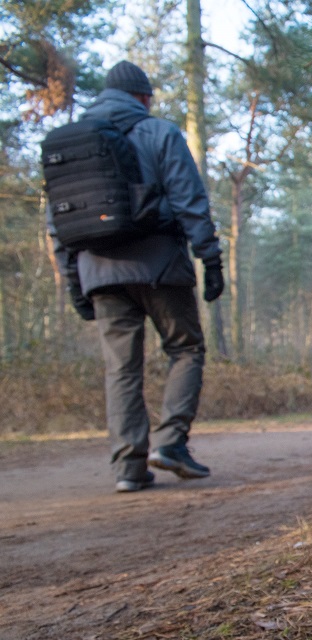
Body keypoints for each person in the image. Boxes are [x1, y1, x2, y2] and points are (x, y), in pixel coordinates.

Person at [49, 61, 225, 493]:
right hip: (159, 266)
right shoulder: (160, 133)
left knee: (121, 369)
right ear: (143, 97)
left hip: (98, 272)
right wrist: (211, 258)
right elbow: (189, 200)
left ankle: (128, 467)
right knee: (186, 349)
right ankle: (169, 443)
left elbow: (58, 225)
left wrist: (75, 283)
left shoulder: (69, 143)